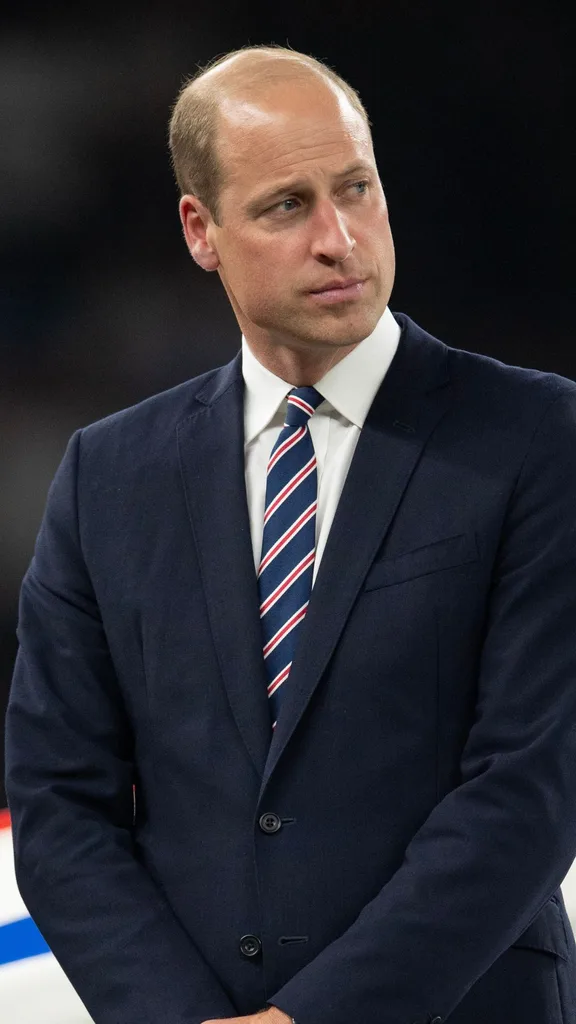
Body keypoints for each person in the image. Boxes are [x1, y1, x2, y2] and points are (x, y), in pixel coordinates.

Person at [5, 43, 576, 1024]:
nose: (340, 238)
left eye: (357, 188)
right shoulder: (109, 473)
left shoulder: (536, 434)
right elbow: (60, 804)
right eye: (287, 205)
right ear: (202, 229)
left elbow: (530, 785)